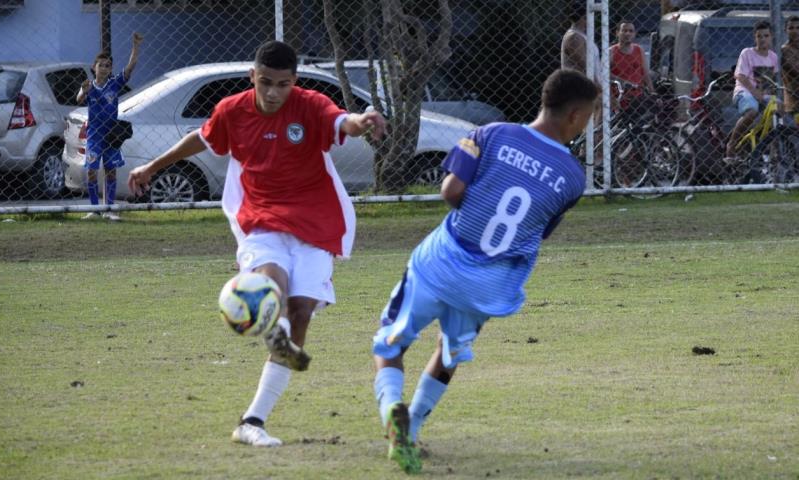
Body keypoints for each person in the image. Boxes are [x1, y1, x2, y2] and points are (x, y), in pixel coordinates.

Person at [127, 40, 386, 448]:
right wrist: (152, 165)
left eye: (282, 84)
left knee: (300, 311)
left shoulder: (311, 105)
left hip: (315, 223)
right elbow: (203, 138)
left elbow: (344, 123)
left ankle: (252, 420)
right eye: (265, 82)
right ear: (252, 76)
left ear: (293, 82)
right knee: (272, 287)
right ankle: (275, 334)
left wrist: (364, 119)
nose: (272, 93)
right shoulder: (232, 110)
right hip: (260, 220)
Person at [371, 69, 598, 474]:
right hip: (488, 285)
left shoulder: (490, 134)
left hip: (440, 263)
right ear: (576, 116)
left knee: (388, 346)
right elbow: (537, 231)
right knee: (448, 352)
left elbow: (451, 192)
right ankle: (416, 427)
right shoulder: (572, 178)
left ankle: (394, 414)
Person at [77, 32, 143, 221]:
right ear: (94, 67)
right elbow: (78, 99)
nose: (105, 68)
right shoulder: (88, 85)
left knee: (111, 170)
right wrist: (84, 91)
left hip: (111, 136)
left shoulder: (115, 84)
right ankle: (94, 209)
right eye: (101, 65)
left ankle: (109, 209)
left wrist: (136, 47)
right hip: (94, 136)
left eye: (108, 66)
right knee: (91, 170)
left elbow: (130, 68)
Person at [726, 21, 779, 160]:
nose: (762, 39)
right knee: (752, 111)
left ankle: (774, 148)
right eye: (759, 36)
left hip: (763, 94)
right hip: (744, 92)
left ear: (771, 37)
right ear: (755, 38)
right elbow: (740, 75)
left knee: (780, 108)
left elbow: (772, 81)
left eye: (766, 36)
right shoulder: (747, 53)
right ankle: (732, 144)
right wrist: (755, 93)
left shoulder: (773, 57)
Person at [609, 21, 655, 114]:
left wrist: (652, 93)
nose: (628, 33)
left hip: (638, 96)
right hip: (620, 97)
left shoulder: (639, 50)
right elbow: (605, 75)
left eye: (631, 31)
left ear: (634, 34)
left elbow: (645, 73)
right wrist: (612, 98)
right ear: (617, 33)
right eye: (624, 31)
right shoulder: (611, 51)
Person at [561, 2, 601, 84]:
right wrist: (599, 87)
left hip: (586, 86)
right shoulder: (574, 37)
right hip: (578, 87)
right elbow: (584, 66)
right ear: (585, 17)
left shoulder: (582, 36)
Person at [781, 16, 799, 123]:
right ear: (785, 30)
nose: (795, 31)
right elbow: (796, 71)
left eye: (798, 28)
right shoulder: (785, 51)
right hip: (794, 104)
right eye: (791, 28)